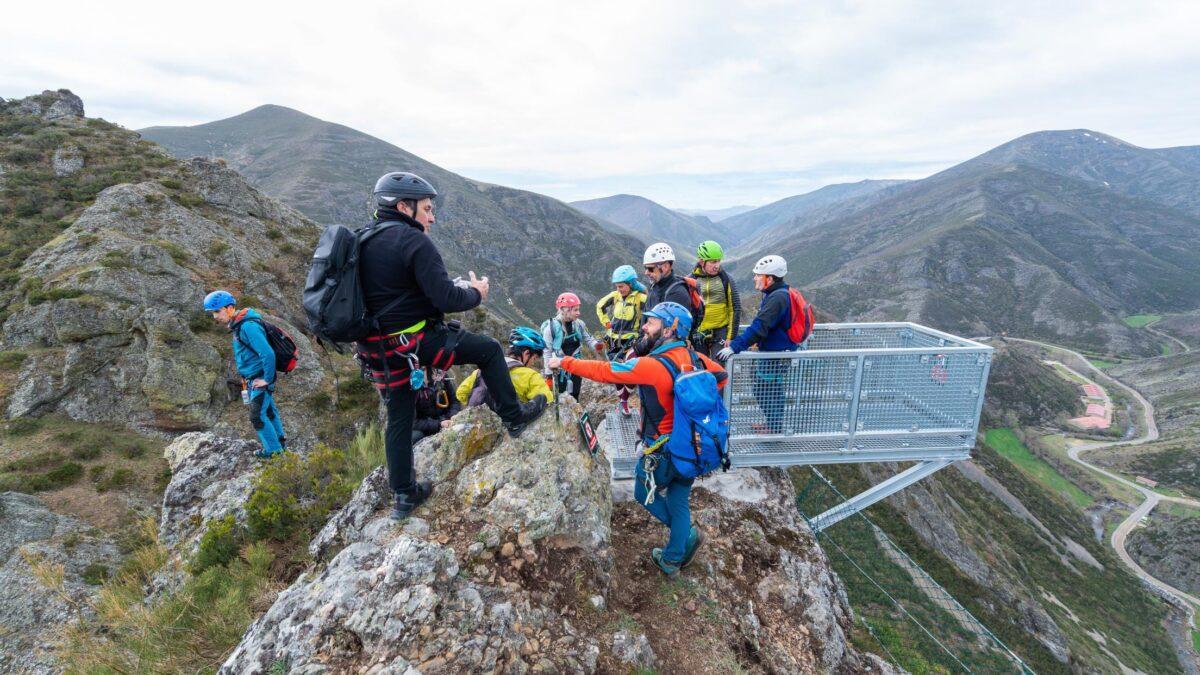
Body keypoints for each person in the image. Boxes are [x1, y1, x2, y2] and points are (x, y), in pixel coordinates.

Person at [357, 171, 546, 521]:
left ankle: (403, 494)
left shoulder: (363, 239)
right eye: (426, 209)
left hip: (378, 352)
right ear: (403, 206)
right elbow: (445, 298)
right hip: (415, 343)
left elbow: (395, 293)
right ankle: (515, 417)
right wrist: (477, 293)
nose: (432, 216)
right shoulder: (414, 241)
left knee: (398, 418)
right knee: (489, 349)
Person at [547, 302, 726, 576]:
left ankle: (686, 536)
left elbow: (605, 371)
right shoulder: (696, 358)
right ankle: (672, 557)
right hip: (691, 446)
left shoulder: (651, 366)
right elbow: (721, 378)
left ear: (670, 329)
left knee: (644, 493)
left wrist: (564, 362)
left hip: (661, 449)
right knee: (678, 498)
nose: (644, 326)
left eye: (652, 323)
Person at [717, 255, 800, 434]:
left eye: (758, 275)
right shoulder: (778, 294)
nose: (755, 278)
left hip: (775, 355)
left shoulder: (777, 298)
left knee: (766, 390)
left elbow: (758, 328)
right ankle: (772, 424)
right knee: (770, 389)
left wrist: (734, 347)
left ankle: (773, 427)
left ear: (769, 278)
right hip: (776, 352)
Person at [205, 290, 286, 459]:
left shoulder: (247, 326)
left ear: (229, 308)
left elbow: (268, 354)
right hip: (252, 378)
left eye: (217, 311)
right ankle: (279, 444)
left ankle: (274, 452)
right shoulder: (238, 325)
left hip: (260, 378)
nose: (214, 317)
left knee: (257, 416)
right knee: (269, 411)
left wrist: (267, 379)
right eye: (212, 312)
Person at [595, 265, 648, 416]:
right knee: (616, 370)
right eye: (617, 286)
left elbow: (653, 309)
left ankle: (625, 397)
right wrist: (606, 322)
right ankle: (623, 402)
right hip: (613, 340)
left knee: (632, 369)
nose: (619, 289)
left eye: (622, 286)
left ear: (630, 284)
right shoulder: (615, 296)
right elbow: (599, 306)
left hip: (631, 341)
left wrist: (646, 330)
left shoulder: (640, 298)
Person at [458, 327, 554, 409]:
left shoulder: (481, 371)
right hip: (510, 427)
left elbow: (461, 393)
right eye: (534, 358)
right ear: (526, 353)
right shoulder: (531, 376)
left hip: (480, 424)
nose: (533, 362)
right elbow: (548, 401)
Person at [641, 242, 703, 353]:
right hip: (652, 346)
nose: (646, 272)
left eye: (650, 269)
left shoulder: (677, 293)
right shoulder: (654, 286)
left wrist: (644, 346)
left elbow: (673, 333)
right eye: (645, 268)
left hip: (667, 351)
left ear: (665, 266)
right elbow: (646, 318)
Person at [541, 292, 604, 401]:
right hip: (559, 366)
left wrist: (597, 345)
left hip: (576, 363)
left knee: (575, 391)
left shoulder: (579, 324)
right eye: (575, 310)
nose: (578, 313)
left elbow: (588, 338)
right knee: (560, 394)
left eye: (578, 309)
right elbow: (547, 352)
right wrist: (549, 375)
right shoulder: (551, 329)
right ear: (565, 310)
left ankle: (576, 410)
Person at [690, 240, 741, 359]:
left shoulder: (726, 279)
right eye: (713, 262)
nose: (717, 265)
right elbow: (687, 309)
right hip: (699, 332)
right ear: (701, 261)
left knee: (718, 366)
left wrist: (731, 337)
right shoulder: (691, 280)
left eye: (718, 261)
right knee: (700, 366)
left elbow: (735, 308)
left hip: (720, 332)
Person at [411, 368, 461, 445]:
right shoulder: (413, 386)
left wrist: (451, 417)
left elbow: (455, 401)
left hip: (446, 419)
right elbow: (413, 422)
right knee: (416, 436)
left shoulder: (442, 378)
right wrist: (439, 424)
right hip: (425, 428)